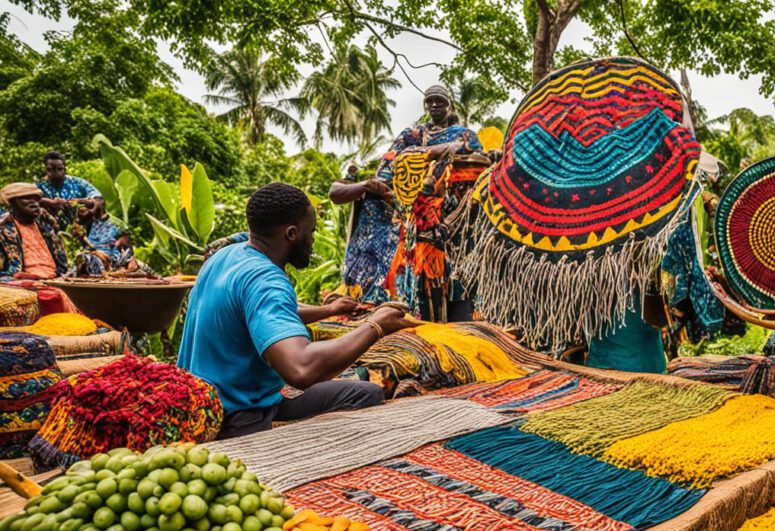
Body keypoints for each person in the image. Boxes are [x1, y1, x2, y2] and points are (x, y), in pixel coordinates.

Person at [177, 182, 415, 439]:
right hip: (237, 416)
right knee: (362, 406)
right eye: (311, 232)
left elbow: (264, 314)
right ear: (291, 234)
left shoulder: (226, 257)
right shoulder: (266, 280)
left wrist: (331, 309)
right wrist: (375, 327)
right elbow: (300, 369)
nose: (313, 240)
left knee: (365, 391)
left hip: (201, 403)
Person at [332, 84, 482, 314]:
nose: (434, 105)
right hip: (413, 210)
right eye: (430, 101)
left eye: (439, 101)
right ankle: (380, 295)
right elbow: (389, 166)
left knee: (457, 280)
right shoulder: (412, 134)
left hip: (452, 208)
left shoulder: (463, 133)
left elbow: (473, 152)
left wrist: (427, 154)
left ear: (448, 104)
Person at [0, 183, 68, 280]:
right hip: (19, 281)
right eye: (27, 198)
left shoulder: (46, 224)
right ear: (13, 202)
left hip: (55, 278)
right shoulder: (3, 228)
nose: (34, 203)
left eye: (36, 199)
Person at [69, 198, 141, 274]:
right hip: (92, 261)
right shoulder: (87, 224)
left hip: (110, 263)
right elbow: (84, 246)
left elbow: (127, 251)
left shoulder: (117, 225)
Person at [36, 151, 103, 226]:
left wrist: (79, 201)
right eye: (50, 169)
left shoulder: (77, 183)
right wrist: (49, 202)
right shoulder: (39, 186)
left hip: (79, 227)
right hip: (49, 229)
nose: (56, 173)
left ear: (65, 169)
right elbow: (26, 199)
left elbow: (97, 197)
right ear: (46, 170)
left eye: (59, 169)